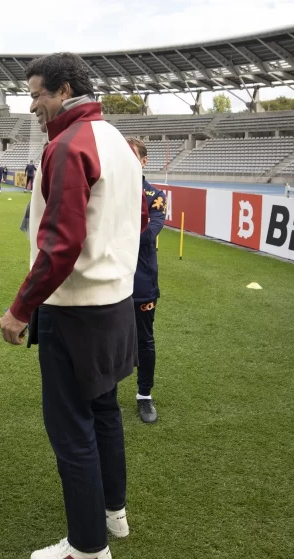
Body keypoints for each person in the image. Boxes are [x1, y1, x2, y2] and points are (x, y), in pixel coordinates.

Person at [0, 52, 147, 559]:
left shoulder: (69, 143)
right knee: (104, 413)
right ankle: (113, 515)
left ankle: (87, 549)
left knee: (72, 427)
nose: (33, 104)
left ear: (64, 89)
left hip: (75, 308)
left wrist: (20, 310)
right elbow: (137, 217)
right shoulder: (120, 144)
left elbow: (61, 244)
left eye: (37, 93)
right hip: (114, 303)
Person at [126, 138, 166, 424]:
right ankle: (103, 393)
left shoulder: (155, 195)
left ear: (143, 161)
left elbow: (148, 234)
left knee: (144, 340)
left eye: (133, 156)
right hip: (109, 280)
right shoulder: (104, 192)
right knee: (106, 339)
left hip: (141, 282)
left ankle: (144, 396)